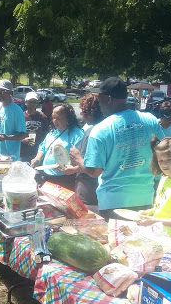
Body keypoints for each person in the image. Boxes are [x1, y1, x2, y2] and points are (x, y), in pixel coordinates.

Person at [69, 77, 163, 220]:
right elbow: (163, 151)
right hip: (145, 197)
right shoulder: (150, 120)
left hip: (113, 203)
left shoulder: (101, 130)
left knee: (118, 241)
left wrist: (78, 159)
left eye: (99, 97)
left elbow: (94, 171)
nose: (98, 102)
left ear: (108, 99)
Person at [138, 136, 171, 237]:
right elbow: (159, 208)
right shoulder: (164, 178)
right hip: (159, 235)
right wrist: (147, 213)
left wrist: (154, 221)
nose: (164, 164)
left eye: (169, 159)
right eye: (160, 161)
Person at [63, 93, 103, 209]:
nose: (82, 116)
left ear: (88, 113)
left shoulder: (91, 132)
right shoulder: (106, 129)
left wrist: (72, 167)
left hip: (88, 189)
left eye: (82, 112)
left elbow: (91, 167)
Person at [30, 104, 83, 190]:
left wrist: (66, 164)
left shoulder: (77, 134)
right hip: (47, 176)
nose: (55, 121)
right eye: (53, 118)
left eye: (58, 118)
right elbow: (43, 147)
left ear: (68, 118)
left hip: (65, 179)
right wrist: (37, 158)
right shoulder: (53, 132)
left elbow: (80, 157)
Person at [0, 79, 27, 161]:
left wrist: (7, 137)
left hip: (9, 157)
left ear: (9, 93)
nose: (0, 94)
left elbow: (23, 134)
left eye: (3, 92)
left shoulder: (17, 111)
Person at [21, 91, 49, 162]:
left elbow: (47, 135)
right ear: (26, 103)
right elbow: (14, 133)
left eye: (34, 102)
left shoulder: (43, 117)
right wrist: (22, 140)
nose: (32, 104)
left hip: (38, 153)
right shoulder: (20, 117)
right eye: (30, 102)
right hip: (23, 153)